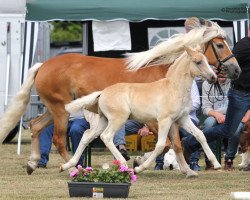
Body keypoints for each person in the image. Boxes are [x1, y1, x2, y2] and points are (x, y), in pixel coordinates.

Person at [183, 25, 250, 170]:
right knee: (228, 131)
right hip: (241, 94)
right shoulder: (245, 45)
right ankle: (190, 143)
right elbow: (225, 61)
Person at [154, 80, 201, 170]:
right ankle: (159, 163)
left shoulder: (192, 82)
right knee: (161, 132)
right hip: (170, 119)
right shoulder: (166, 80)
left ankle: (193, 162)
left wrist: (178, 110)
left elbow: (196, 103)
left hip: (187, 118)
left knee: (194, 134)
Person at [201, 76, 244, 170]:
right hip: (214, 115)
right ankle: (210, 160)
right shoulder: (206, 84)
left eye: (225, 71)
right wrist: (216, 114)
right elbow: (205, 108)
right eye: (219, 71)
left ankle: (229, 159)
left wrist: (227, 114)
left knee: (237, 128)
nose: (222, 74)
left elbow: (237, 104)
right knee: (208, 124)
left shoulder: (235, 82)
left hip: (233, 114)